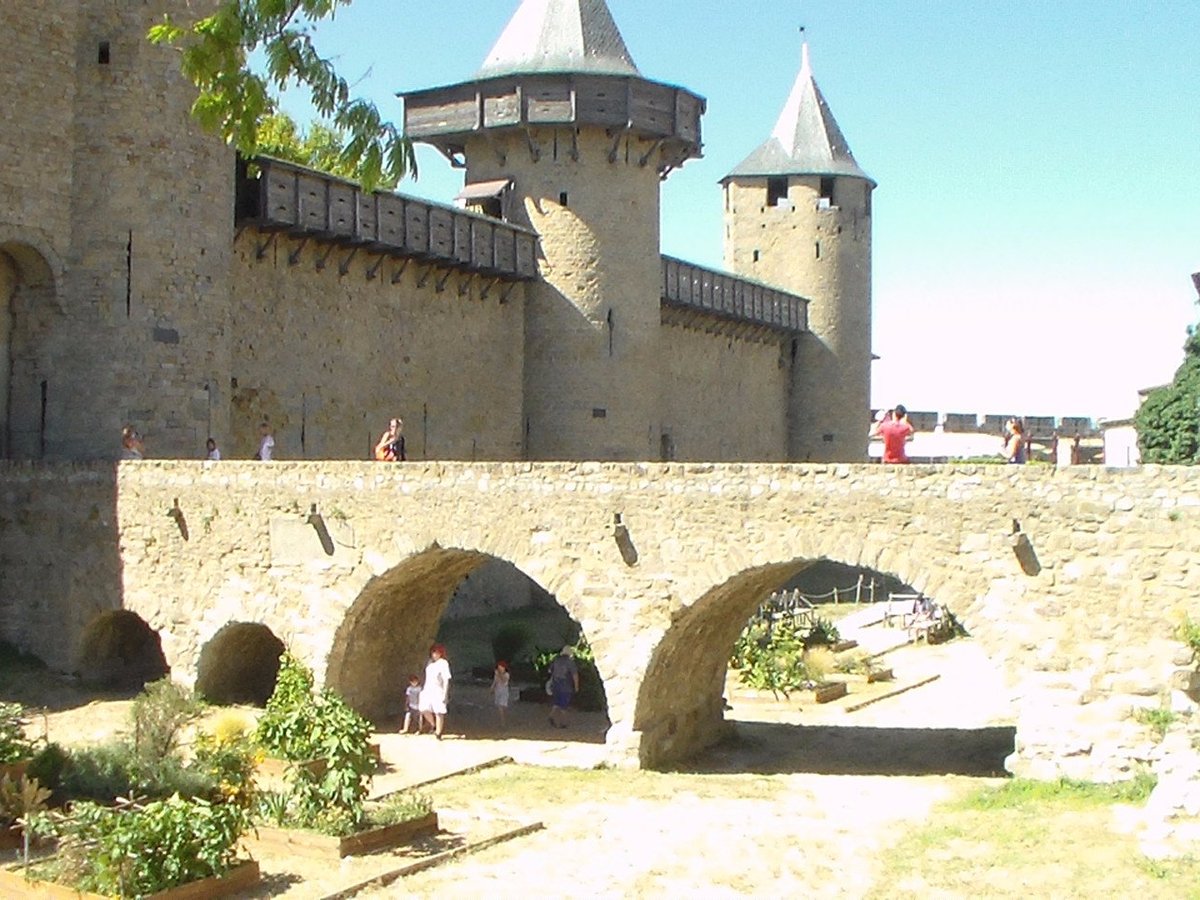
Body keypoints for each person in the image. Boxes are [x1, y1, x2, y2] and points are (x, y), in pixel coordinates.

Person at [419, 644, 451, 739]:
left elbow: (446, 679)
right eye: (433, 652)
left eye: (437, 652)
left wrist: (445, 693)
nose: (434, 654)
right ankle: (434, 724)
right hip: (427, 688)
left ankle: (438, 732)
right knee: (423, 708)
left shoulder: (443, 663)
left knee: (439, 711)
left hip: (438, 689)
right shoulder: (429, 663)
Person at [547, 645, 580, 729]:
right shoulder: (570, 662)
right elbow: (574, 675)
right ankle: (563, 722)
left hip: (555, 683)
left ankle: (551, 716)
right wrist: (576, 686)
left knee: (557, 702)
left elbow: (550, 670)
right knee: (564, 704)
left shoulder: (556, 660)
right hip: (566, 685)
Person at [491, 660, 511, 729]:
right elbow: (495, 681)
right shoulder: (496, 674)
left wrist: (499, 675)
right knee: (499, 706)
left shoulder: (506, 675)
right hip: (498, 691)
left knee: (501, 706)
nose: (500, 669)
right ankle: (502, 721)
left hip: (504, 692)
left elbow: (503, 680)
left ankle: (503, 722)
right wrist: (492, 688)